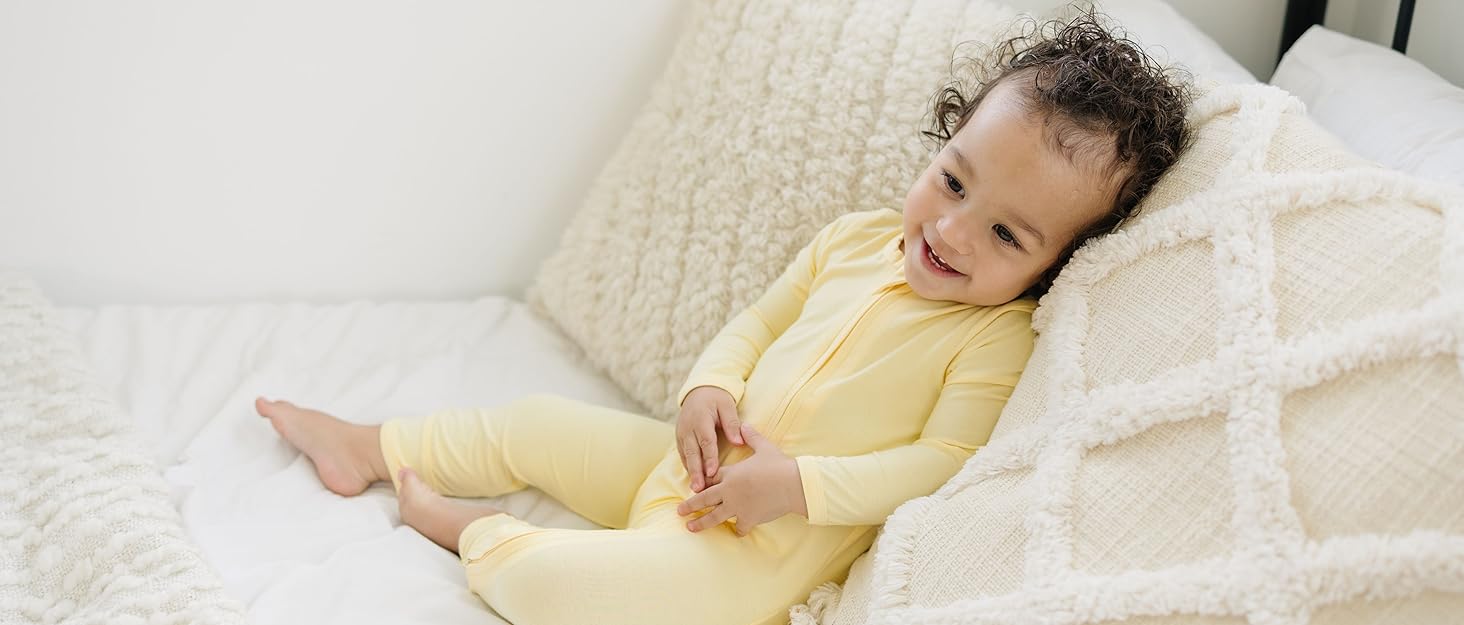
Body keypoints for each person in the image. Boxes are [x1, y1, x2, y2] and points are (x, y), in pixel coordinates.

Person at [255, 11, 1190, 625]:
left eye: (1005, 233)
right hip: (689, 467)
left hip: (752, 553)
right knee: (538, 423)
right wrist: (711, 384)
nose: (948, 229)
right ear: (945, 140)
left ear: (1055, 263)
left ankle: (468, 532)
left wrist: (799, 487)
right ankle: (369, 444)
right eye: (951, 179)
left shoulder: (990, 338)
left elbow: (938, 465)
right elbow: (756, 321)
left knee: (553, 584)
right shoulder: (858, 238)